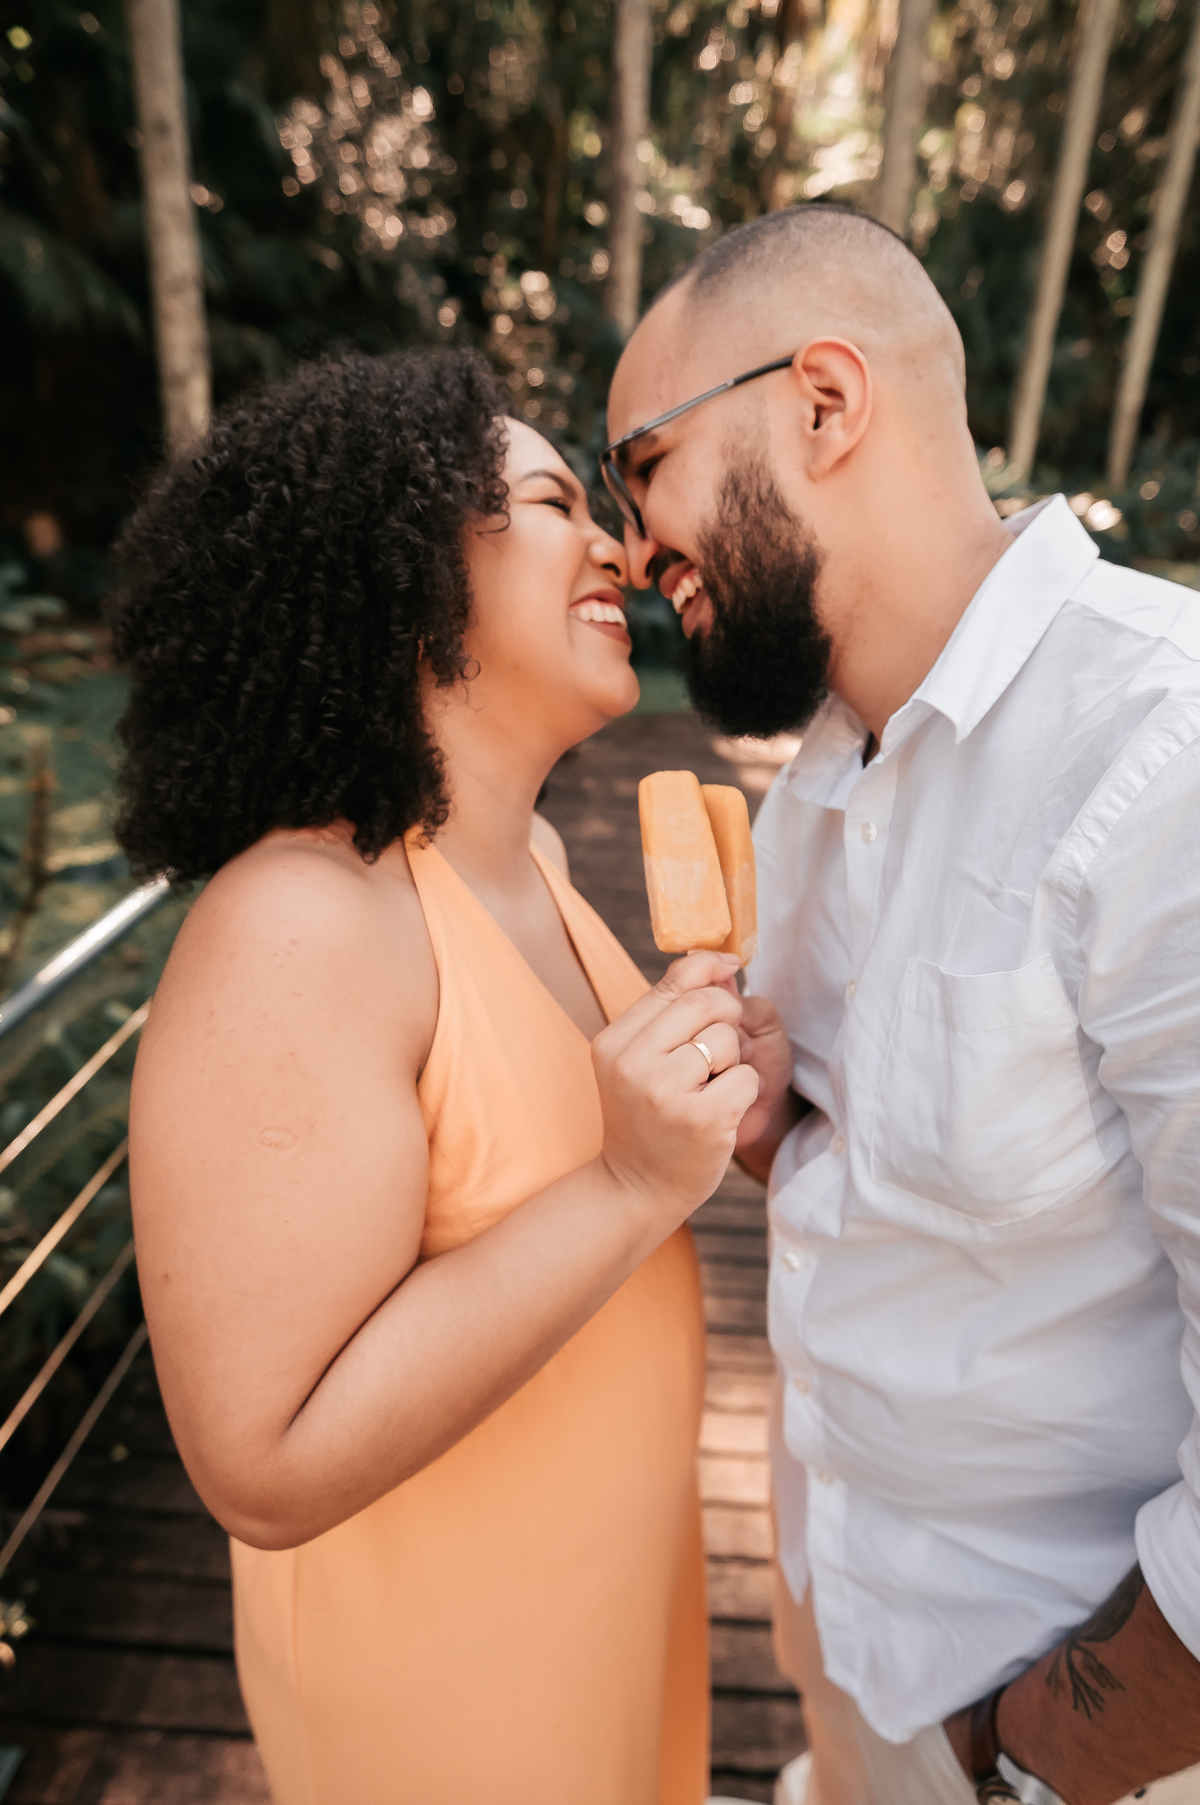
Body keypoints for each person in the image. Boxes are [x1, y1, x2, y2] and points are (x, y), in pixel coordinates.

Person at [602, 203, 1200, 1805]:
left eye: (643, 468)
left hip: (1070, 1731)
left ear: (823, 402)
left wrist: (1041, 1753)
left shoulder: (1167, 757)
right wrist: (785, 1127)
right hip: (847, 1624)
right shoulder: (813, 784)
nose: (631, 550)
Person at [114, 349, 759, 1805]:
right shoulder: (300, 924)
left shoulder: (533, 859)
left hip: (609, 1613)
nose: (619, 548)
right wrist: (629, 1182)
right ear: (403, 573)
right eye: (552, 503)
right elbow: (262, 1459)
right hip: (453, 1693)